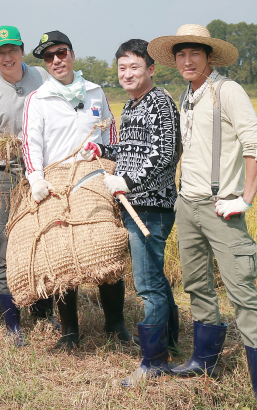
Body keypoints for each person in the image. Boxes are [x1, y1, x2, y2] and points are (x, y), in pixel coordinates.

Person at [148, 25, 257, 409]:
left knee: (243, 293)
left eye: (195, 54)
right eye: (181, 55)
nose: (187, 61)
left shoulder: (228, 91)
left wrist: (245, 200)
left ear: (208, 57)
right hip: (187, 206)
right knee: (196, 285)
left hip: (222, 206)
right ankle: (203, 362)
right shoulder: (186, 97)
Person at [22, 30, 125, 349]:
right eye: (49, 57)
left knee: (107, 243)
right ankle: (69, 331)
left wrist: (115, 172)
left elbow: (112, 135)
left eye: (61, 53)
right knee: (61, 252)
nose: (56, 60)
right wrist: (36, 179)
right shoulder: (36, 100)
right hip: (55, 182)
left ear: (72, 55)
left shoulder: (95, 92)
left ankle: (116, 324)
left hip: (94, 178)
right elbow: (31, 142)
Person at [90, 39, 180, 386]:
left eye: (134, 67)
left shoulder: (160, 103)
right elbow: (129, 150)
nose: (127, 74)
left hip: (152, 207)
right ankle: (169, 341)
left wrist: (126, 180)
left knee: (146, 285)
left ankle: (153, 360)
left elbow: (165, 154)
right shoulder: (130, 106)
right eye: (122, 68)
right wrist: (101, 147)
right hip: (133, 203)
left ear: (151, 69)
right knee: (154, 275)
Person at [0, 25, 53, 346]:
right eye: (0, 52)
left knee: (43, 237)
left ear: (22, 50)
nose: (7, 57)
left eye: (12, 50)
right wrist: (8, 145)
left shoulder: (41, 77)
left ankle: (44, 311)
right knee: (6, 242)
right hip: (5, 176)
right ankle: (12, 321)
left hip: (43, 171)